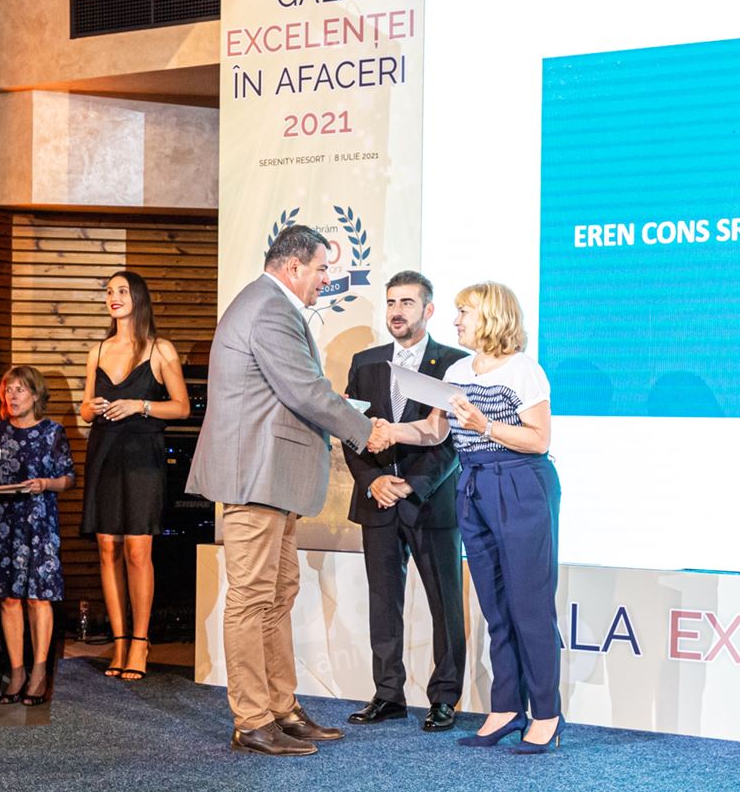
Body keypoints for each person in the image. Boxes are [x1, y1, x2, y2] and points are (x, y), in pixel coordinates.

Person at [186, 226, 393, 756]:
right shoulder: (269, 308)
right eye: (322, 269)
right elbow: (304, 390)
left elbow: (295, 390)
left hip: (271, 477)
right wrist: (364, 429)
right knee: (253, 597)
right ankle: (252, 718)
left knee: (277, 594)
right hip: (255, 475)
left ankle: (280, 708)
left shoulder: (271, 305)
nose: (327, 279)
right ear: (294, 266)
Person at [385, 282, 562, 753]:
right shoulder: (458, 370)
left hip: (520, 484)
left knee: (529, 606)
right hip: (474, 484)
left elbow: (539, 440)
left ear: (491, 316)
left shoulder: (524, 370)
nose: (456, 320)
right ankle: (506, 708)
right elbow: (434, 430)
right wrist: (384, 430)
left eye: (465, 312)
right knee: (495, 606)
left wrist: (484, 424)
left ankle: (547, 714)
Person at [341, 271, 469, 732]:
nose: (397, 311)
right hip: (376, 501)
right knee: (383, 604)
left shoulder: (455, 363)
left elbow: (452, 440)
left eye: (407, 303)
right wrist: (372, 479)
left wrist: (413, 484)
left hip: (431, 503)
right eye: (392, 302)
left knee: (445, 606)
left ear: (428, 310)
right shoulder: (366, 362)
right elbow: (350, 428)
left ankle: (445, 698)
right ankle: (388, 695)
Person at [80, 271, 189, 682]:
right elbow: (84, 411)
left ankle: (141, 642)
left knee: (138, 551)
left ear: (138, 298)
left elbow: (181, 407)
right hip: (104, 453)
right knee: (107, 547)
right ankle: (120, 640)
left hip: (143, 455)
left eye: (122, 291)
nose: (113, 297)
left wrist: (138, 405)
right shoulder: (97, 350)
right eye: (109, 291)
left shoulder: (160, 349)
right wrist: (92, 408)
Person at [0, 364, 75, 706]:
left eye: (19, 389)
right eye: (8, 390)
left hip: (38, 522)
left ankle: (39, 672)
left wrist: (46, 484)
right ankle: (17, 671)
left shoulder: (52, 432)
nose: (12, 396)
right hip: (2, 521)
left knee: (38, 598)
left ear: (35, 395)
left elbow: (68, 478)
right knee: (8, 599)